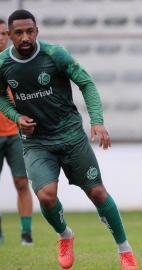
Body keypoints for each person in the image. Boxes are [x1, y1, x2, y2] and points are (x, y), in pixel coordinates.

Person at [0, 10, 138, 269]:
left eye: (30, 31)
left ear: (37, 31)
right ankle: (65, 235)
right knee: (47, 197)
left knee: (97, 192)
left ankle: (125, 250)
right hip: (37, 142)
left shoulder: (55, 54)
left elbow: (86, 82)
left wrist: (97, 120)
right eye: (18, 33)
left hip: (71, 135)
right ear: (10, 35)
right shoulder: (2, 64)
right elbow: (1, 97)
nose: (25, 37)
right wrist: (16, 117)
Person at [0, 18, 33, 246]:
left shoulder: (19, 61)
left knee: (22, 183)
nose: (1, 38)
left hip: (16, 133)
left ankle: (26, 234)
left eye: (4, 33)